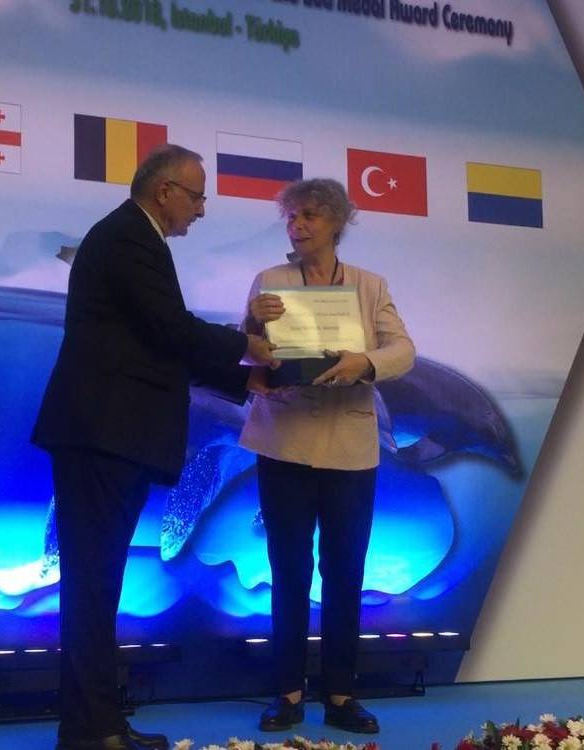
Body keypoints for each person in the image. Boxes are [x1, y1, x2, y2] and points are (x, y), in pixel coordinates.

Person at [32, 144, 278, 750]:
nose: (201, 209)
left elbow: (153, 343)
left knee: (96, 586)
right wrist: (246, 347)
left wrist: (242, 379)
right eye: (197, 196)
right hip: (103, 437)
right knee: (93, 586)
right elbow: (170, 329)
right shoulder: (129, 237)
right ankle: (94, 730)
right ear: (165, 190)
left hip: (107, 436)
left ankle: (94, 726)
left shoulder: (132, 237)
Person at [240, 178, 415, 735]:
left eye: (310, 215)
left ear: (338, 221)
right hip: (283, 441)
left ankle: (340, 694)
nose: (298, 225)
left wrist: (365, 362)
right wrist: (252, 325)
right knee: (288, 570)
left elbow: (403, 350)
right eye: (292, 216)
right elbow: (249, 357)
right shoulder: (269, 280)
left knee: (345, 573)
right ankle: (287, 692)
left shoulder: (369, 284)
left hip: (349, 449)